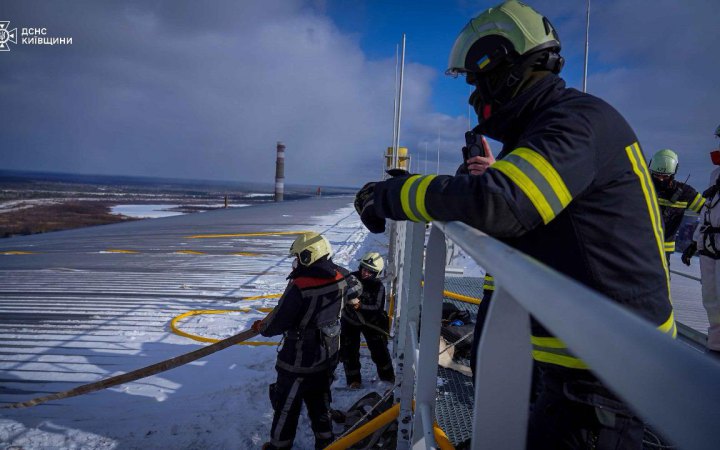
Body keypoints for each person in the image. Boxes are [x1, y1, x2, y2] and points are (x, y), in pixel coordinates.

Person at [354, 1, 674, 448]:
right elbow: (520, 215)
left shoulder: (575, 122)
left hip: (605, 365)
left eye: (476, 81)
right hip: (576, 352)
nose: (473, 98)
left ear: (503, 70)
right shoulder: (548, 128)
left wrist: (392, 195)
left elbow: (504, 204)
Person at [252, 232, 361, 450]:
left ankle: (279, 446)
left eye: (299, 256)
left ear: (309, 255)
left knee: (287, 406)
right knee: (320, 402)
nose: (295, 263)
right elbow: (356, 287)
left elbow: (277, 322)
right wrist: (353, 300)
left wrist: (261, 327)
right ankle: (326, 443)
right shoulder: (339, 277)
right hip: (327, 355)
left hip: (298, 360)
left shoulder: (300, 285)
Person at [681, 126, 720, 355]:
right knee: (711, 299)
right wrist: (695, 242)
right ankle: (715, 347)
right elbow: (707, 210)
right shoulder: (715, 174)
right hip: (709, 244)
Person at [339, 252, 395, 388]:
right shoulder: (351, 278)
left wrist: (360, 306)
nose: (365, 273)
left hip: (372, 322)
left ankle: (387, 377)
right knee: (349, 350)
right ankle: (353, 380)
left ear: (376, 273)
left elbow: (377, 307)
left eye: (370, 272)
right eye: (364, 269)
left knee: (379, 350)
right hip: (350, 320)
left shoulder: (379, 287)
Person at [648, 149, 705, 263]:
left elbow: (709, 213)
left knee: (661, 281)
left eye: (665, 176)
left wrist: (695, 243)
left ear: (673, 174)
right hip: (637, 247)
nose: (660, 179)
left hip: (663, 252)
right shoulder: (640, 187)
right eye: (657, 175)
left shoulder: (685, 193)